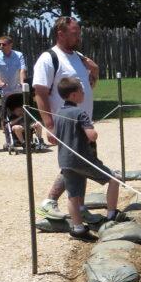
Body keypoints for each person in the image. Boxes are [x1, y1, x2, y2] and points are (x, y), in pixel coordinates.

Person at [33, 16, 101, 217]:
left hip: (83, 122)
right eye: (74, 33)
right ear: (60, 33)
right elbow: (40, 92)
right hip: (66, 123)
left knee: (82, 164)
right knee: (74, 165)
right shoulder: (49, 58)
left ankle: (79, 208)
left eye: (78, 32)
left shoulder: (79, 57)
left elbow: (90, 86)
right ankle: (50, 202)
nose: (78, 37)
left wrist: (94, 72)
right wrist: (49, 125)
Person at [52, 78, 122, 241]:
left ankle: (78, 229)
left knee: (73, 195)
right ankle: (111, 215)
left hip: (65, 161)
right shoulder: (80, 112)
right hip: (82, 159)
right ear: (75, 95)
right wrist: (90, 128)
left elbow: (57, 136)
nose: (84, 94)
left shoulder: (58, 113)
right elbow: (92, 136)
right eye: (82, 91)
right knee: (114, 178)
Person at [0, 35, 29, 138]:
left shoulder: (18, 55)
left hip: (16, 89)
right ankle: (8, 136)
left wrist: (22, 82)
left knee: (21, 110)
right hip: (3, 89)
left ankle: (24, 134)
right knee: (3, 112)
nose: (1, 46)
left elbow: (22, 69)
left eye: (4, 44)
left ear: (11, 45)